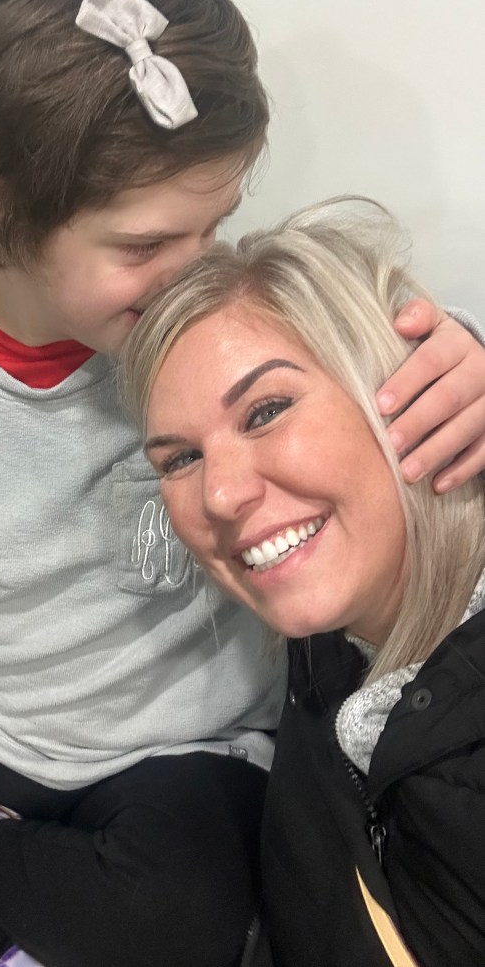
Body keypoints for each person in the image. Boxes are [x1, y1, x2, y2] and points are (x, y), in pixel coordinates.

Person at [0, 0, 484, 963]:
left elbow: (371, 358)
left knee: (176, 924)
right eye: (145, 246)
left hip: (182, 744)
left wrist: (459, 354)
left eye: (213, 227)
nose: (191, 278)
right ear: (1, 204)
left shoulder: (210, 340)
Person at [120, 196, 485, 966]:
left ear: (404, 389)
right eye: (179, 457)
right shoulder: (333, 593)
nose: (220, 494)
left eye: (265, 411)